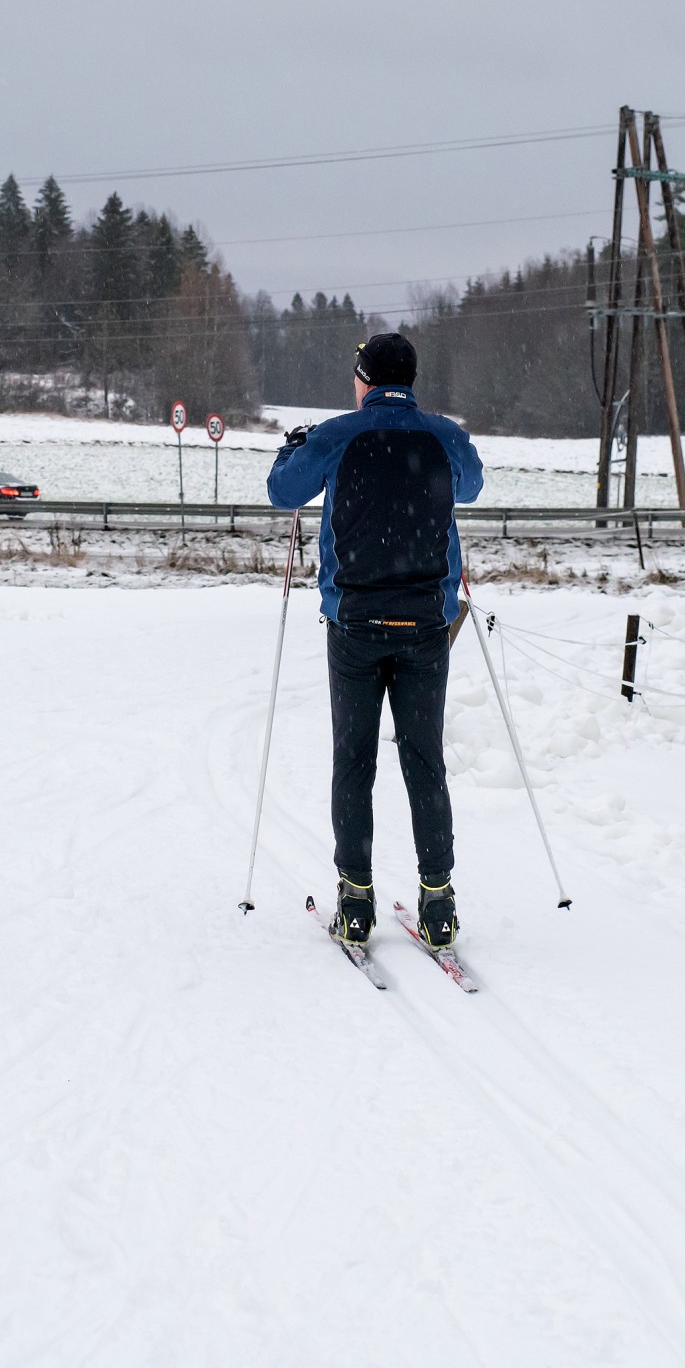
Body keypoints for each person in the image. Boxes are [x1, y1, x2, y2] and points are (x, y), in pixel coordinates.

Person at [265, 332, 484, 949]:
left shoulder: (338, 435)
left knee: (354, 759)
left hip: (355, 624)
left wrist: (296, 448)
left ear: (364, 379)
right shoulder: (444, 435)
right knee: (424, 760)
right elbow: (470, 487)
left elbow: (283, 492)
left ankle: (355, 900)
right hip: (425, 624)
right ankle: (438, 903)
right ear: (410, 382)